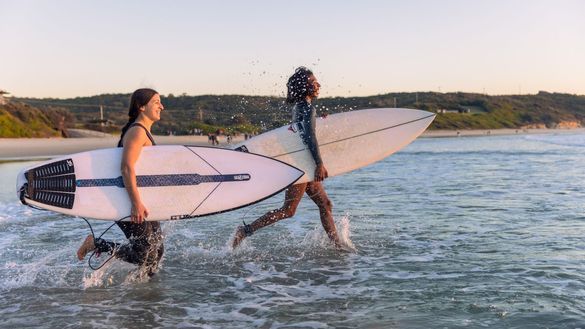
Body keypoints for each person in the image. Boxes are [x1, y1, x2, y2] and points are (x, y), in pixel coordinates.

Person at [231, 67, 341, 248]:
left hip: (303, 163)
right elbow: (309, 137)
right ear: (306, 87)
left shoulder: (301, 107)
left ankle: (337, 245)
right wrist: (319, 164)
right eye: (314, 82)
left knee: (325, 204)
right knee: (288, 210)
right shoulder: (307, 107)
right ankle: (244, 231)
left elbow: (300, 133)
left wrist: (318, 121)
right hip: (301, 165)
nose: (318, 85)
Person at [77, 88, 165, 275]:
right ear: (142, 107)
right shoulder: (137, 132)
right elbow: (126, 168)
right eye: (156, 102)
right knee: (145, 255)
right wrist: (135, 203)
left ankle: (147, 299)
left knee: (156, 252)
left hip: (141, 199)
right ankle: (95, 244)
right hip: (127, 200)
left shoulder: (142, 131)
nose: (161, 106)